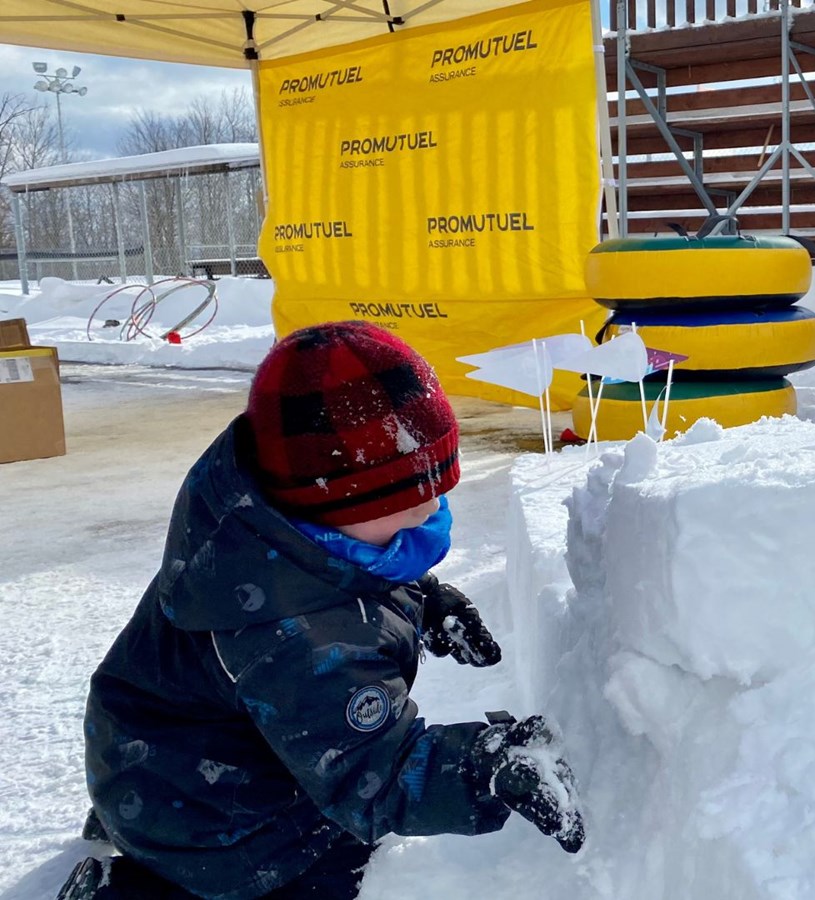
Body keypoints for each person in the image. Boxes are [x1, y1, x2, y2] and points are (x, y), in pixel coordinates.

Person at [58, 322, 584, 900]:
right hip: (208, 815)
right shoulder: (290, 637)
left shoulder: (260, 533)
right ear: (328, 504)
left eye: (437, 486)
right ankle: (132, 887)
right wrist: (484, 768)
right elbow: (374, 777)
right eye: (404, 498)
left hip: (163, 761)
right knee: (329, 869)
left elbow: (352, 580)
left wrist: (423, 601)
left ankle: (145, 830)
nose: (429, 508)